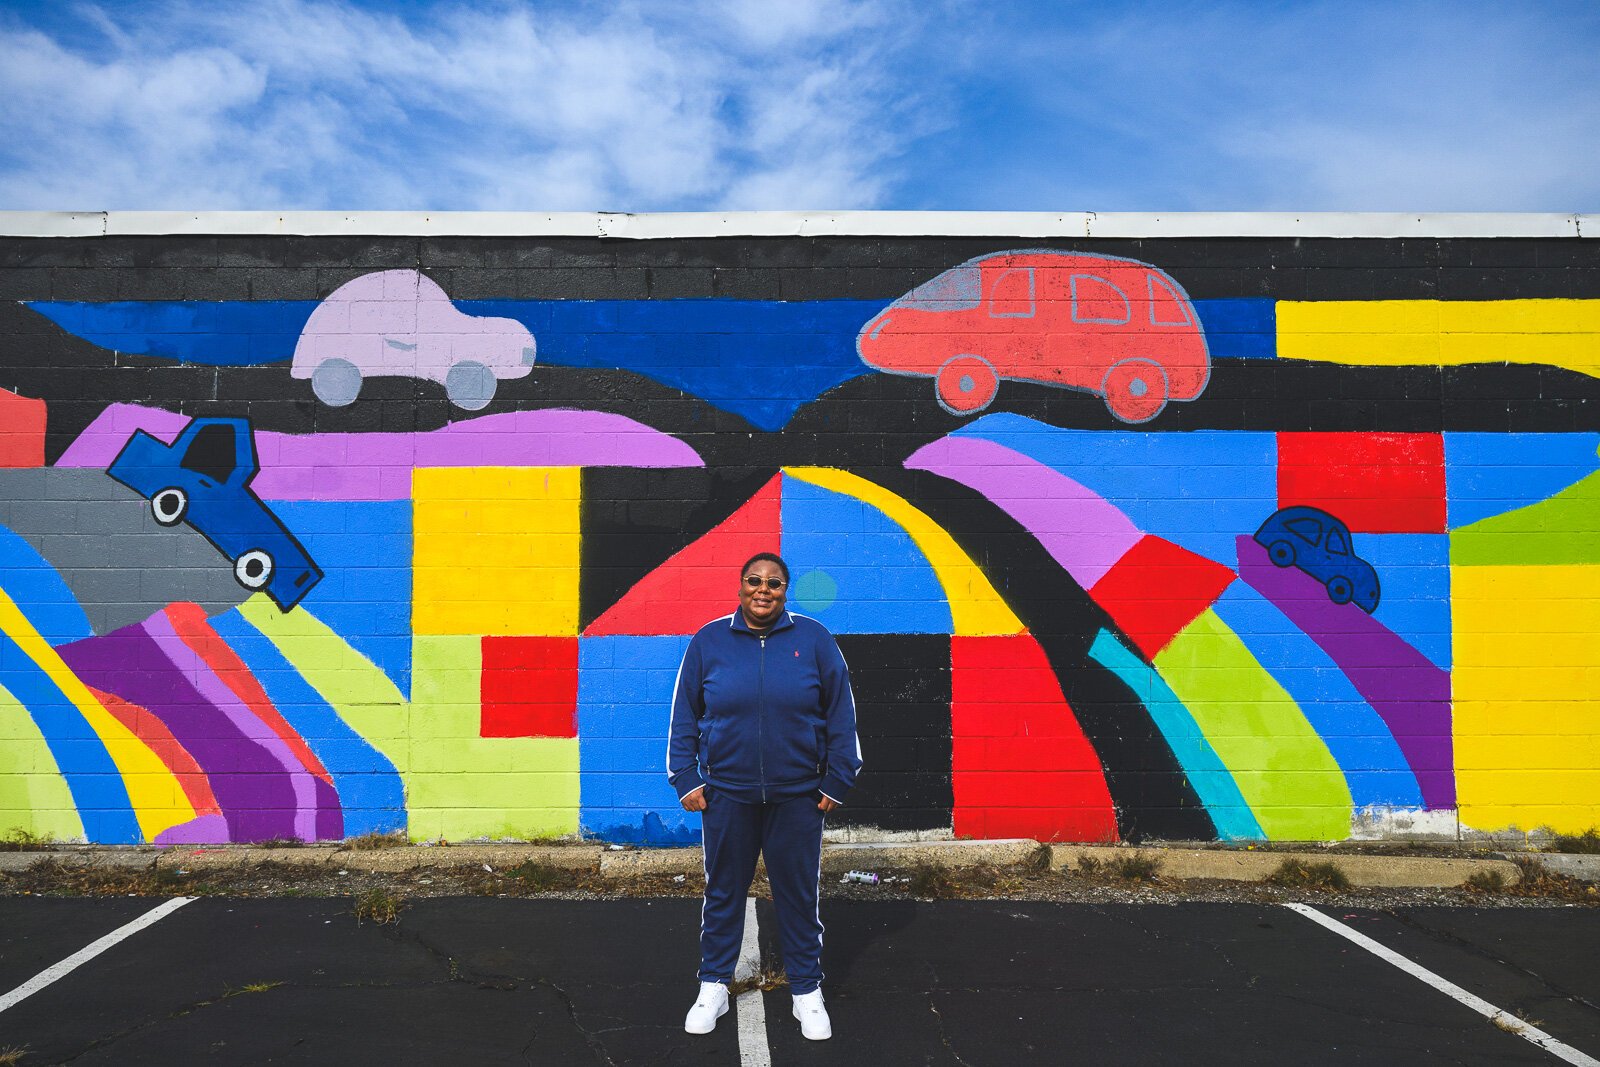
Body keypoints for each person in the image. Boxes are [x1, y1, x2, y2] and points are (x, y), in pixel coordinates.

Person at [667, 551, 862, 1041]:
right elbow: (684, 713)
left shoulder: (814, 640)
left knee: (798, 895)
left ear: (785, 591)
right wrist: (686, 777)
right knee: (723, 891)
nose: (763, 589)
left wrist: (837, 780)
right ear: (739, 586)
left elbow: (841, 713)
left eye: (774, 583)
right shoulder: (709, 640)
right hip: (727, 796)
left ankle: (806, 990)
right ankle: (713, 984)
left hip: (797, 797)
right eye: (754, 580)